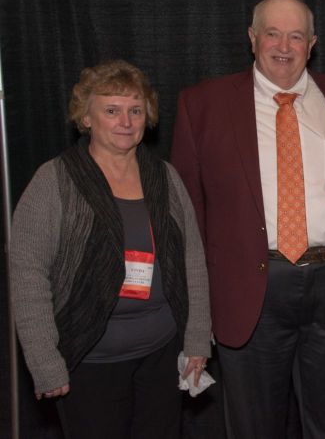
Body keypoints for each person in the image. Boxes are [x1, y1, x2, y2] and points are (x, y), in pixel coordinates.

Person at [170, 0, 325, 438]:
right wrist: (196, 309)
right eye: (272, 33)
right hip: (250, 289)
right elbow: (187, 214)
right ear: (251, 38)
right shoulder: (203, 105)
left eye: (296, 35)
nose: (284, 45)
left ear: (312, 43)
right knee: (254, 425)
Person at [9, 60, 211, 439]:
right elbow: (27, 274)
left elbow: (193, 261)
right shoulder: (54, 180)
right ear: (86, 118)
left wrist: (198, 338)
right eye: (112, 110)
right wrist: (44, 360)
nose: (126, 121)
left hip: (161, 356)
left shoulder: (164, 177)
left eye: (135, 110)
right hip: (89, 361)